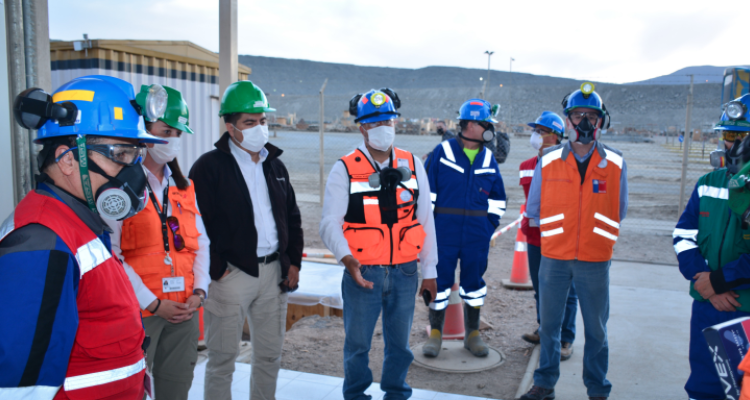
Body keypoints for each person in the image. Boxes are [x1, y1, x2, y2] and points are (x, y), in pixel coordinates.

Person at [0, 75, 168, 399]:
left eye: (136, 155)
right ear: (67, 159)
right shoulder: (42, 242)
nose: (136, 171)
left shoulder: (81, 223)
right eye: (121, 154)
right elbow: (18, 389)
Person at [319, 88, 438, 400]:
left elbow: (425, 221)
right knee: (357, 345)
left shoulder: (413, 164)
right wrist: (347, 259)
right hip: (363, 274)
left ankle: (396, 393)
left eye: (387, 120)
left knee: (400, 345)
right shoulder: (344, 167)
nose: (382, 127)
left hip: (405, 272)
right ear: (362, 128)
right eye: (374, 123)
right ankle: (356, 395)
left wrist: (431, 270)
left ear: (395, 123)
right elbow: (329, 223)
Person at [189, 80, 303, 400]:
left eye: (263, 121)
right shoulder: (208, 168)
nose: (259, 128)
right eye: (249, 122)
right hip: (231, 275)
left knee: (269, 356)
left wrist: (293, 261)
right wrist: (215, 269)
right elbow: (196, 223)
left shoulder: (275, 165)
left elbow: (292, 218)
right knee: (223, 359)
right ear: (231, 127)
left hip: (272, 274)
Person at [521, 82, 628, 400]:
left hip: (595, 261)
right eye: (577, 115)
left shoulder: (616, 163)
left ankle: (597, 389)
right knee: (550, 326)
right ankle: (544, 384)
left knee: (596, 330)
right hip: (554, 257)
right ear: (567, 121)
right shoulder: (549, 159)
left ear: (600, 121)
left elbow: (618, 210)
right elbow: (534, 209)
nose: (584, 121)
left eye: (591, 115)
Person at [104, 84, 210, 400]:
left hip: (184, 310)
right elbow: (112, 255)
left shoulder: (183, 186)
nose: (172, 140)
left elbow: (201, 243)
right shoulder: (117, 188)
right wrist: (153, 303)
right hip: (141, 314)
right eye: (166, 130)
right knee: (130, 391)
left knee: (176, 391)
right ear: (142, 130)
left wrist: (200, 293)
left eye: (178, 133)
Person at [673, 94, 750, 400]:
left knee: (742, 389)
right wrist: (704, 282)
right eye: (728, 135)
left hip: (743, 307)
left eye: (740, 137)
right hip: (708, 305)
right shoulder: (708, 182)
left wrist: (717, 282)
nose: (731, 144)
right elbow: (683, 236)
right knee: (704, 385)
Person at [422, 98, 507, 359]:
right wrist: (429, 231)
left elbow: (498, 199)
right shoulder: (442, 153)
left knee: (474, 283)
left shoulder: (489, 158)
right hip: (443, 234)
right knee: (440, 282)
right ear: (470, 125)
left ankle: (472, 334)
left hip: (475, 236)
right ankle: (436, 334)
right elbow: (426, 197)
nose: (489, 129)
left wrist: (487, 227)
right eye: (486, 124)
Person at [520, 111, 578, 362]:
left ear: (556, 136)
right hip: (535, 236)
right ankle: (546, 329)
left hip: (562, 238)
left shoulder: (570, 163)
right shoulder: (526, 167)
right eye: (536, 131)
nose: (537, 135)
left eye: (542, 131)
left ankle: (565, 337)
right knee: (540, 287)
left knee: (568, 290)